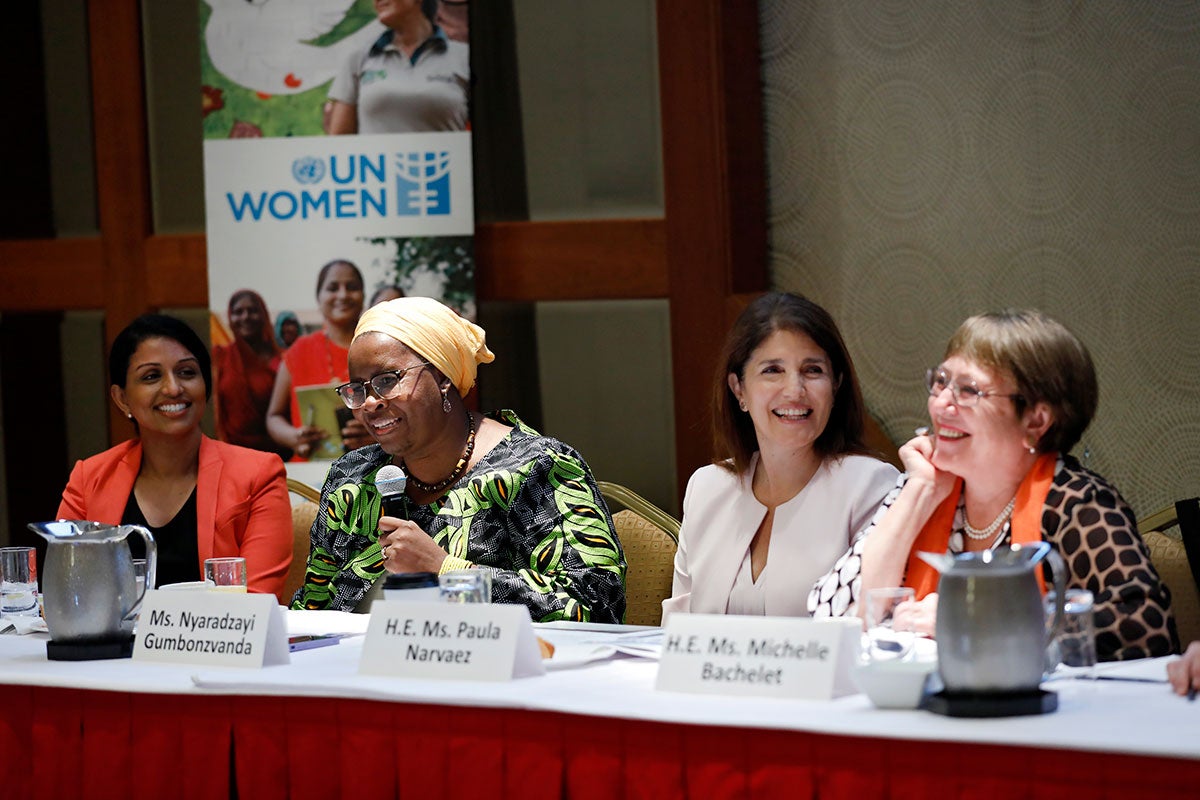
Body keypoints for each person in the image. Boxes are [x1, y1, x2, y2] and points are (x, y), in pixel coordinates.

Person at [809, 309, 1177, 661]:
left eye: (968, 390)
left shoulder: (1076, 502)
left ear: (1036, 420)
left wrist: (978, 622)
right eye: (940, 382)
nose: (941, 405)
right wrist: (918, 493)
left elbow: (1145, 627)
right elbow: (833, 626)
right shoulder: (926, 485)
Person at [291, 297, 627, 622]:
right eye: (358, 389)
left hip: (497, 672)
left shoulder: (535, 469)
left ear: (442, 377)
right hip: (358, 668)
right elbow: (312, 609)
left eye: (387, 380)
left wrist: (445, 569)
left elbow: (595, 606)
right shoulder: (353, 478)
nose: (369, 403)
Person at [662, 293, 897, 618]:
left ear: (836, 386)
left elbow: (873, 625)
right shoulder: (706, 488)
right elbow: (676, 633)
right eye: (773, 370)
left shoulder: (871, 487)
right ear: (739, 389)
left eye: (812, 370)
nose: (794, 390)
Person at [56, 314, 293, 600]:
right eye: (151, 376)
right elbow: (69, 594)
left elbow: (255, 600)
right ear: (122, 398)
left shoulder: (259, 474)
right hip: (113, 644)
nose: (173, 388)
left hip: (219, 641)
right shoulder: (88, 479)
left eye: (187, 372)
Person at [267, 260, 372, 460]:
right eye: (332, 288)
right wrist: (294, 437)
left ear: (363, 296)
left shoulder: (379, 348)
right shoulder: (298, 351)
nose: (342, 295)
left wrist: (377, 435)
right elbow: (274, 417)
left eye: (351, 287)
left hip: (373, 469)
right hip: (310, 475)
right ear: (319, 297)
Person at [327, 0, 469, 135]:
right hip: (377, 161)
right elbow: (341, 141)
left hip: (449, 160)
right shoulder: (358, 58)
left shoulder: (465, 57)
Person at [213, 290, 287, 457]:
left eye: (253, 311)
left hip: (281, 454)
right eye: (238, 312)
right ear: (230, 318)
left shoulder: (283, 360)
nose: (245, 317)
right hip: (233, 455)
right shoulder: (220, 358)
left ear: (263, 315)